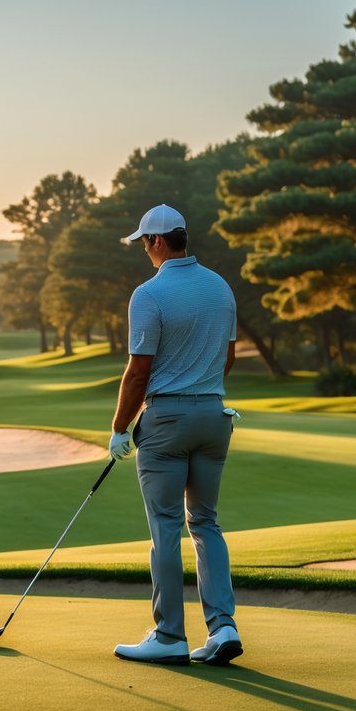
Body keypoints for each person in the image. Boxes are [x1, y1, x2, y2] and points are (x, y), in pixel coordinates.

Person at [108, 203, 243, 667]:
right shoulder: (220, 287)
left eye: (145, 241)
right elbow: (227, 358)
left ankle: (169, 635)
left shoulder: (149, 294)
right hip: (214, 415)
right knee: (205, 522)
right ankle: (223, 626)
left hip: (166, 422)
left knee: (165, 527)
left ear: (158, 242)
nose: (144, 250)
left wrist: (119, 428)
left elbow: (138, 371)